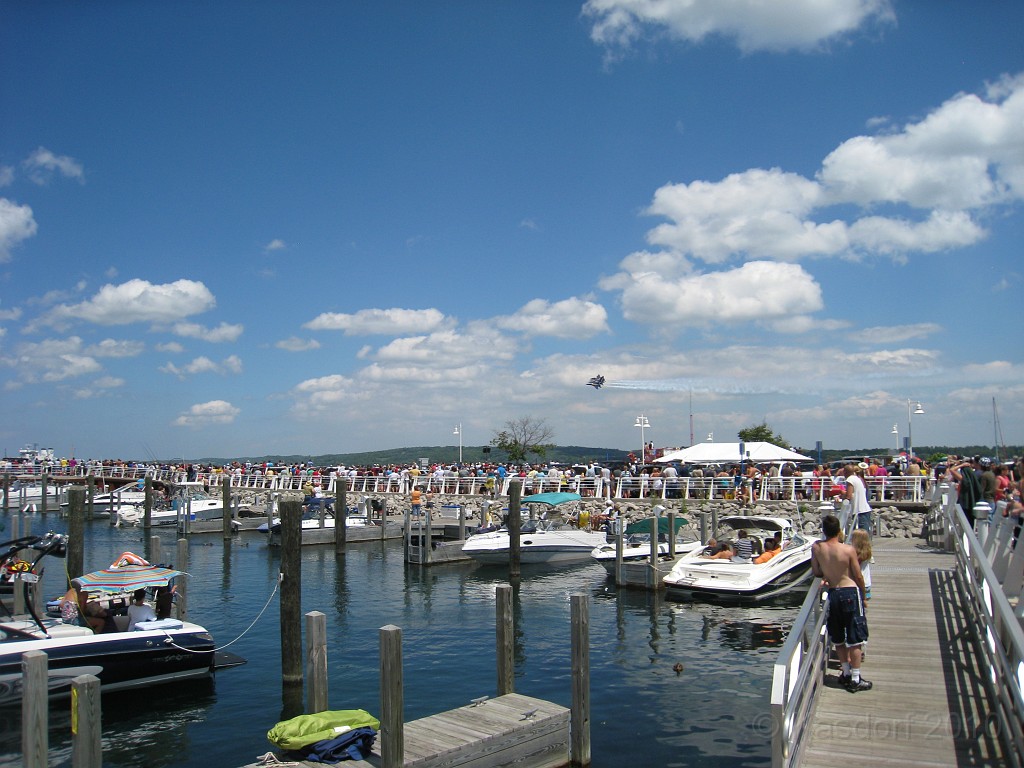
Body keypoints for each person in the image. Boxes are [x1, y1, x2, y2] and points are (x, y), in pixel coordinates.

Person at [812, 514, 871, 692]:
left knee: (838, 636)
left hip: (833, 593)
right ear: (839, 531)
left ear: (823, 531)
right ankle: (855, 678)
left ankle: (845, 672)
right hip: (850, 591)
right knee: (855, 638)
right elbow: (858, 575)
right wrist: (863, 595)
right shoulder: (848, 550)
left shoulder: (816, 548)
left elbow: (816, 571)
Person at [843, 464, 873, 534]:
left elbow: (849, 496)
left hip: (859, 510)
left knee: (860, 533)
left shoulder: (850, 479)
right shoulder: (857, 478)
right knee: (865, 533)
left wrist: (843, 497)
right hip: (865, 509)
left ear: (845, 472)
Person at [850, 529, 873, 601]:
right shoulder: (867, 552)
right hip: (867, 583)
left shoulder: (855, 554)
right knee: (862, 605)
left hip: (858, 583)